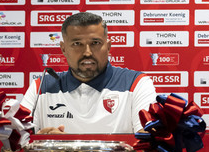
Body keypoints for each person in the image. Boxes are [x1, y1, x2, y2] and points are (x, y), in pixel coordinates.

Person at [20, 12, 157, 134]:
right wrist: (40, 143)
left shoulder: (137, 83)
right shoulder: (41, 86)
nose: (87, 52)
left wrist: (65, 147)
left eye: (95, 43)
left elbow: (147, 145)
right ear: (63, 48)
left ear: (108, 46)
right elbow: (14, 150)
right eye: (77, 43)